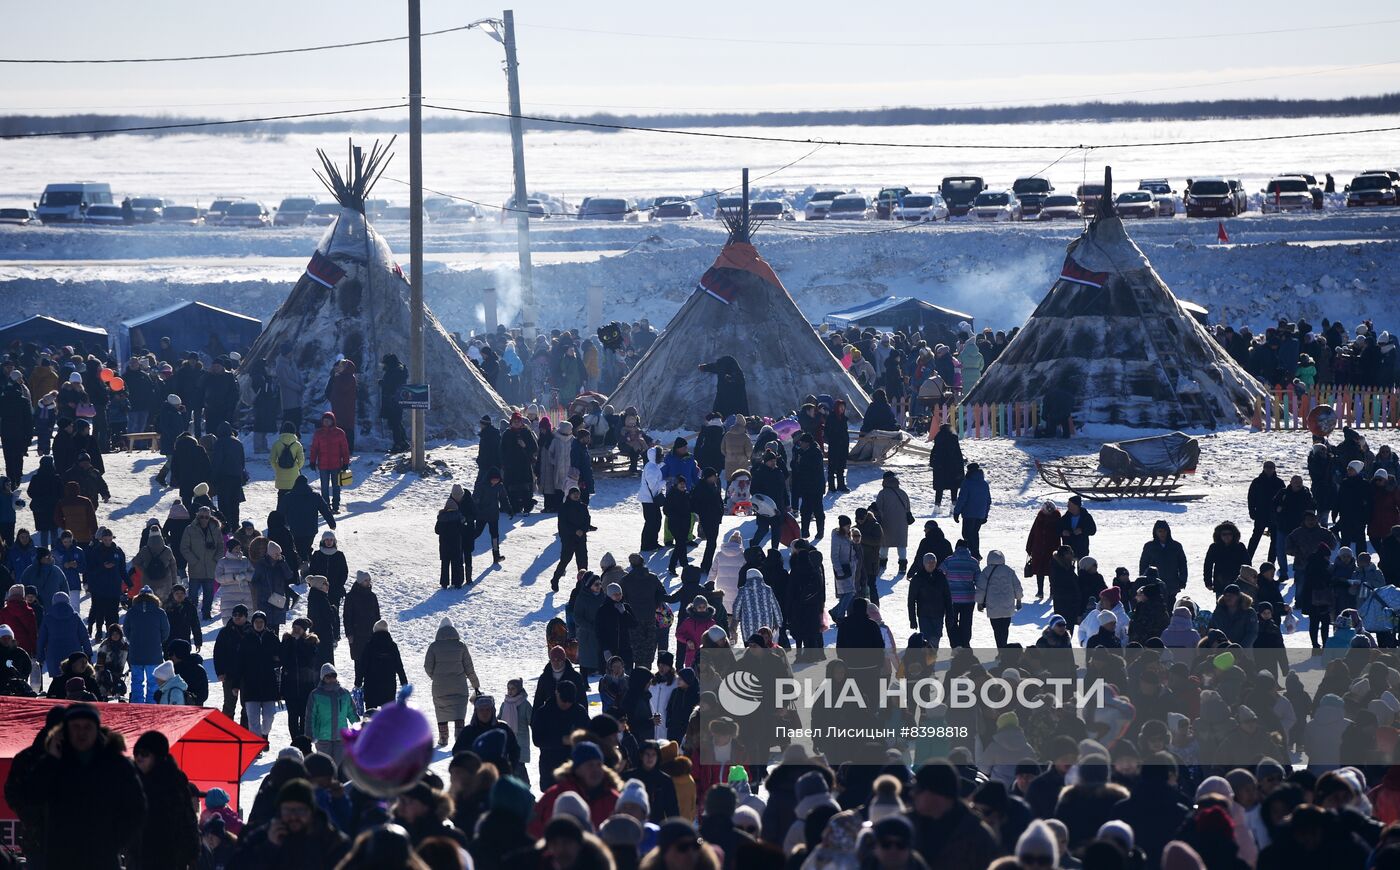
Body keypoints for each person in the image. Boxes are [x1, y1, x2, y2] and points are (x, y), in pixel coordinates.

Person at [27, 703, 147, 869]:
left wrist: (114, 842)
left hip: (102, 858)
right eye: (75, 727)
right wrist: (51, 759)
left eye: (87, 727)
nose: (81, 733)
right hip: (61, 858)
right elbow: (32, 796)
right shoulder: (55, 763)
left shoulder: (116, 764)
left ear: (96, 729)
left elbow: (136, 808)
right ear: (65, 730)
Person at [425, 616, 481, 747]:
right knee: (459, 712)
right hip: (459, 686)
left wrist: (436, 677)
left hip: (440, 687)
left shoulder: (433, 647)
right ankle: (459, 738)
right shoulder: (461, 646)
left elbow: (427, 667)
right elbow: (469, 668)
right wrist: (475, 684)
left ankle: (443, 738)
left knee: (441, 711)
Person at [239, 610, 281, 737]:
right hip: (250, 685)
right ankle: (257, 744)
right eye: (256, 622)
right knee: (253, 720)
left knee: (269, 717)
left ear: (265, 623)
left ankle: (264, 735)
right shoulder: (246, 638)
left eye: (261, 621)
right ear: (252, 623)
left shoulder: (272, 638)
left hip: (269, 684)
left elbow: (280, 657)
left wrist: (276, 660)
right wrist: (236, 684)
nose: (258, 624)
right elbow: (239, 662)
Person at [305, 663, 357, 764]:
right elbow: (310, 716)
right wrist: (309, 735)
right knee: (324, 766)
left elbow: (351, 712)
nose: (331, 679)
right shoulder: (316, 695)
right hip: (322, 738)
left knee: (339, 765)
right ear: (322, 678)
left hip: (340, 737)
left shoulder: (344, 693)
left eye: (333, 676)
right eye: (328, 676)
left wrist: (359, 726)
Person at [975, 550, 1022, 648]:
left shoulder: (986, 571)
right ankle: (1004, 648)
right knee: (1005, 629)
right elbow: (1017, 586)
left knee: (997, 630)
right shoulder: (1009, 571)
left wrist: (979, 602)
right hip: (1007, 605)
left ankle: (1000, 649)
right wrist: (1019, 599)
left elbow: (981, 588)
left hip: (993, 605)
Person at [358, 619, 407, 711]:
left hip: (371, 685)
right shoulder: (392, 646)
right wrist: (404, 682)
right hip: (388, 686)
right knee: (388, 715)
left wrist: (358, 682)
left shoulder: (369, 646)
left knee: (371, 714)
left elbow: (363, 666)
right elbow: (399, 666)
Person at [308, 411, 350, 513]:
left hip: (336, 465)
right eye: (325, 420)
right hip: (323, 464)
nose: (326, 422)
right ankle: (326, 506)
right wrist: (312, 461)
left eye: (328, 420)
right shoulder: (318, 433)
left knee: (336, 486)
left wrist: (345, 462)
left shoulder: (339, 433)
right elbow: (314, 449)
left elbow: (345, 449)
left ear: (332, 421)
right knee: (324, 487)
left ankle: (335, 506)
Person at [552, 486, 592, 592]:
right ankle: (555, 579)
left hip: (581, 538)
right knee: (565, 561)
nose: (576, 495)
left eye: (578, 493)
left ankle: (583, 585)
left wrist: (583, 530)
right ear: (569, 495)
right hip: (569, 538)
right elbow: (563, 524)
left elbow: (587, 521)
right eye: (574, 493)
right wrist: (575, 530)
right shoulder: (564, 507)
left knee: (583, 563)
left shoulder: (583, 507)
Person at [907, 553, 951, 649]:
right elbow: (911, 600)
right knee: (926, 642)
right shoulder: (917, 578)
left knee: (935, 639)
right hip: (924, 615)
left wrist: (950, 615)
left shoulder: (941, 577)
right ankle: (927, 658)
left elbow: (947, 597)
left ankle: (932, 657)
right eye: (928, 562)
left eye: (933, 562)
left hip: (938, 615)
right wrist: (912, 619)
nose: (931, 564)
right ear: (924, 563)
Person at [343, 571, 380, 684]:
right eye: (366, 580)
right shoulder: (351, 597)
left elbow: (377, 615)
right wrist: (349, 633)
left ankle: (370, 684)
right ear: (360, 582)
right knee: (359, 661)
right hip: (357, 634)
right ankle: (358, 685)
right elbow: (347, 616)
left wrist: (379, 632)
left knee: (371, 660)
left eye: (369, 580)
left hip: (371, 633)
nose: (368, 582)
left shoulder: (372, 596)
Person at [876, 471, 913, 573]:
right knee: (901, 544)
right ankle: (902, 566)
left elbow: (878, 509)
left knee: (884, 544)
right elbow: (908, 509)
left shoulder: (882, 493)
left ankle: (882, 564)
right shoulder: (903, 493)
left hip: (886, 523)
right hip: (902, 524)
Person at [792, 433, 827, 541]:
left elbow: (810, 469)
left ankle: (820, 532)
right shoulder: (803, 452)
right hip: (806, 486)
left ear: (807, 443)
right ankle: (805, 531)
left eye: (802, 442)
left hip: (815, 487)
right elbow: (796, 467)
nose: (800, 444)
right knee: (805, 510)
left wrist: (800, 462)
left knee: (817, 510)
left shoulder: (815, 452)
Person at [1140, 520, 1188, 597]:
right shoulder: (1149, 546)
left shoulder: (1176, 546)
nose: (1162, 533)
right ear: (1155, 532)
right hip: (1154, 584)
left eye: (1164, 531)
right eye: (1160, 531)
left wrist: (1182, 580)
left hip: (1172, 584)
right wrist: (1143, 581)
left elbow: (1183, 565)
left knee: (1171, 603)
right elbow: (1143, 565)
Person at [952, 463, 990, 560]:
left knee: (967, 534)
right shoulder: (984, 484)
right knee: (974, 534)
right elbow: (988, 500)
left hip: (969, 514)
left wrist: (956, 512)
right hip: (980, 514)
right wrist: (985, 515)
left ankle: (972, 554)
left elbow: (962, 499)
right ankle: (975, 553)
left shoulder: (967, 483)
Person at [1026, 501, 1061, 600]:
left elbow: (1059, 534)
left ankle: (1052, 592)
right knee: (1039, 570)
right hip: (1038, 549)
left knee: (1052, 571)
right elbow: (1033, 532)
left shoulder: (1057, 519)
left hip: (1052, 550)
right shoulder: (1039, 518)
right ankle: (1040, 591)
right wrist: (1029, 547)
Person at [435, 497, 469, 589]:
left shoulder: (441, 517)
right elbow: (463, 530)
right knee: (456, 564)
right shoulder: (458, 517)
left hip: (444, 545)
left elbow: (437, 531)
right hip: (456, 545)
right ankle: (457, 583)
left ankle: (444, 583)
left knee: (445, 564)